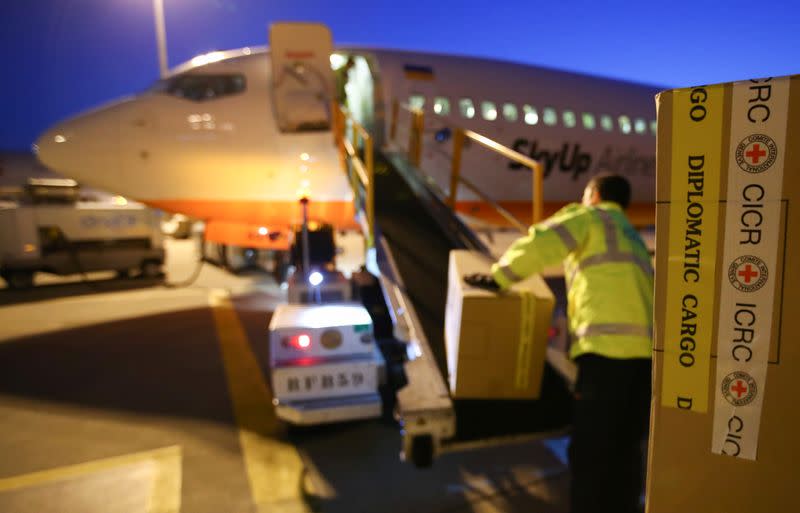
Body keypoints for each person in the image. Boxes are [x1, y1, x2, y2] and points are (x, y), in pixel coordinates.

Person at [465, 173, 653, 513]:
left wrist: (499, 277)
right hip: (644, 362)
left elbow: (543, 241)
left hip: (605, 356)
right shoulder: (633, 237)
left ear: (594, 195)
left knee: (591, 452)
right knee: (626, 450)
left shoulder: (590, 218)